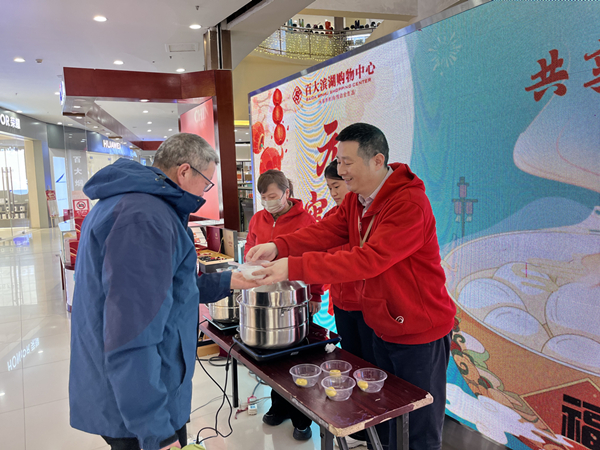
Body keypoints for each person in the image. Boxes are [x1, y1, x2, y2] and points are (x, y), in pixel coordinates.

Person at [247, 123, 456, 450]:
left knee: (417, 431)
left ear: (377, 160)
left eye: (347, 162)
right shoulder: (358, 201)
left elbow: (369, 259)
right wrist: (279, 247)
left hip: (419, 332)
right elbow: (326, 232)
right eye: (338, 161)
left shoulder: (408, 203)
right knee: (386, 417)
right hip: (382, 326)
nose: (341, 170)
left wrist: (292, 266)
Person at [69, 133, 257, 450]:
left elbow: (167, 289)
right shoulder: (143, 218)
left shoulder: (133, 204)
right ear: (184, 171)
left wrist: (230, 281)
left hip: (134, 392)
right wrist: (157, 431)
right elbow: (132, 333)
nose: (204, 193)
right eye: (206, 183)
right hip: (137, 407)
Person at [244, 169, 325, 441]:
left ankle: (302, 416)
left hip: (296, 298)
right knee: (274, 357)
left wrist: (316, 295)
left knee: (297, 356)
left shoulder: (306, 220)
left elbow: (317, 258)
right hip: (267, 297)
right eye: (264, 197)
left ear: (286, 193)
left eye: (273, 196)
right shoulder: (258, 219)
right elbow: (250, 251)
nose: (268, 202)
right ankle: (278, 405)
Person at [324, 160, 373, 449]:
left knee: (370, 368)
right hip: (342, 304)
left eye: (337, 186)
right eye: (329, 187)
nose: (333, 193)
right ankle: (356, 424)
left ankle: (373, 428)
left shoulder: (367, 218)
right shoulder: (333, 217)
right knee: (351, 366)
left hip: (366, 307)